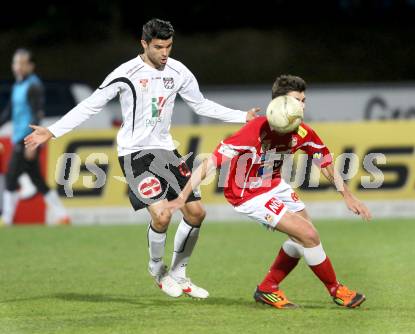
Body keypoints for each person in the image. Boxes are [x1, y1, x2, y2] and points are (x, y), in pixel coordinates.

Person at [24, 19, 258, 299]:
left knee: (197, 213)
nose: (164, 53)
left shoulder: (178, 71)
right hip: (134, 155)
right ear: (144, 44)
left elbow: (200, 104)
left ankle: (180, 274)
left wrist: (242, 116)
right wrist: (52, 131)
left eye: (169, 46)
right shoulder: (126, 73)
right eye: (158, 47)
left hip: (166, 151)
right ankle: (157, 270)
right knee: (161, 216)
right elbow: (91, 104)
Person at [165, 75, 372, 309]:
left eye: (304, 100)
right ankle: (337, 291)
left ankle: (267, 288)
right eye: (297, 100)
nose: (302, 106)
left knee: (305, 236)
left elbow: (323, 160)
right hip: (247, 194)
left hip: (274, 184)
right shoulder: (254, 131)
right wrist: (182, 197)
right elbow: (210, 163)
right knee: (309, 235)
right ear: (280, 103)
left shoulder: (301, 132)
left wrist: (347, 195)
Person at [0, 48, 69, 226]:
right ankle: (63, 215)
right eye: (16, 63)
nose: (18, 67)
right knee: (37, 180)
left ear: (31, 66)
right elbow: (9, 112)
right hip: (21, 139)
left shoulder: (33, 85)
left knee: (10, 178)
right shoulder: (18, 85)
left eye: (22, 63)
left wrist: (32, 142)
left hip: (26, 140)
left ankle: (6, 219)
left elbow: (37, 114)